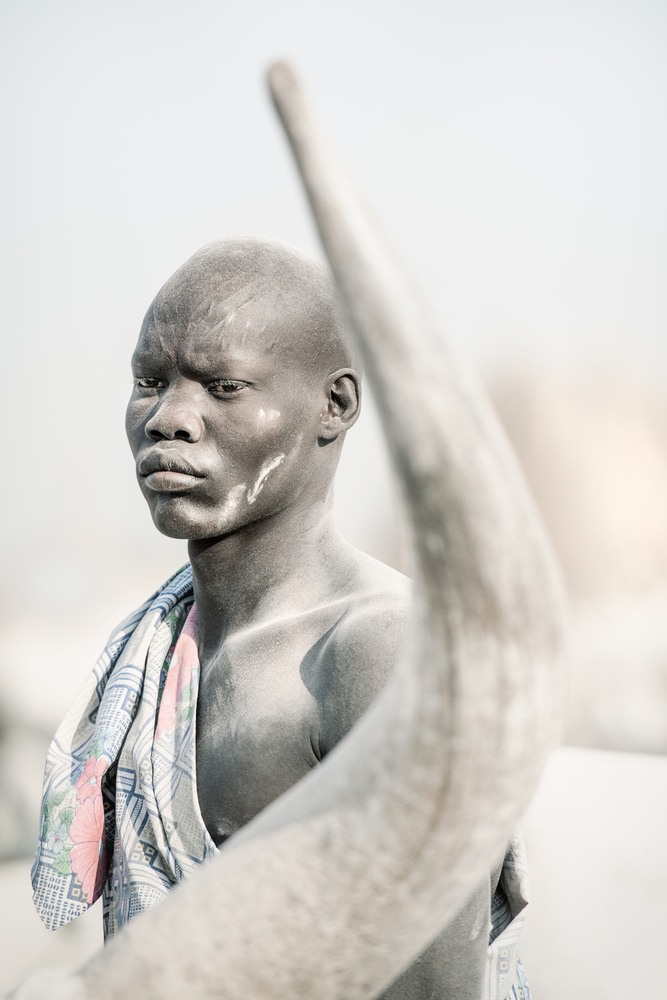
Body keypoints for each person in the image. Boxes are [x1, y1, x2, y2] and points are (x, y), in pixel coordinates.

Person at [32, 236, 531, 999]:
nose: (170, 417)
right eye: (149, 381)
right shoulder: (160, 647)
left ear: (334, 405)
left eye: (223, 387)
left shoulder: (374, 651)